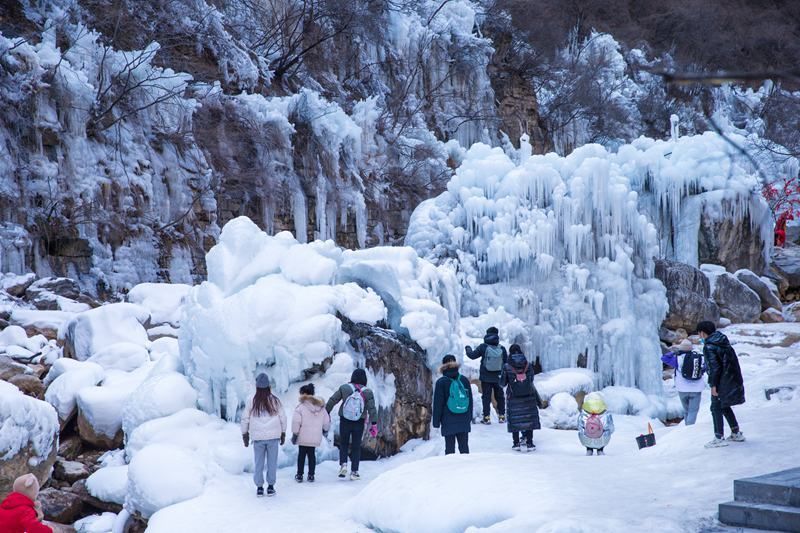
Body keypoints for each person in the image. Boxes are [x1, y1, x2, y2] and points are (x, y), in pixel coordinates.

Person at [697, 321, 745, 448]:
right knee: (724, 406)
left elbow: (715, 368)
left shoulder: (709, 346)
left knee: (715, 408)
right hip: (731, 379)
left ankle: (718, 437)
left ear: (703, 332)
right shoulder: (722, 341)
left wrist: (714, 385)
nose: (699, 336)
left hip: (722, 381)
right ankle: (736, 432)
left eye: (699, 333)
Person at [326, 368, 378, 481]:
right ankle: (354, 471)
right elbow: (372, 409)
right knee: (356, 446)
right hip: (359, 422)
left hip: (345, 420)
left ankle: (343, 465)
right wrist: (374, 424)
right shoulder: (367, 392)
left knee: (344, 443)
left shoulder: (345, 388)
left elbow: (332, 400)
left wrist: (326, 413)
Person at [241, 373, 286, 497]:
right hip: (273, 437)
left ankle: (259, 488)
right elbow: (283, 417)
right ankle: (271, 487)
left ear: (257, 386)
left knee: (259, 463)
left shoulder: (251, 400)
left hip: (258, 438)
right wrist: (283, 432)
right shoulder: (275, 400)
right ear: (268, 386)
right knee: (272, 462)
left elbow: (245, 418)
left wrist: (244, 434)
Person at [499, 345, 540, 452]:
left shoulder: (507, 366)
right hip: (528, 397)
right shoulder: (528, 365)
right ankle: (530, 443)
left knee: (515, 419)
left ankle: (516, 443)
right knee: (528, 418)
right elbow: (531, 379)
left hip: (513, 397)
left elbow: (502, 383)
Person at [432, 354, 473, 455]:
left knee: (449, 449)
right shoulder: (464, 380)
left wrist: (436, 422)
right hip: (463, 418)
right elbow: (470, 401)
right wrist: (469, 418)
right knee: (464, 447)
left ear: (443, 365)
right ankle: (468, 468)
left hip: (448, 419)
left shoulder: (441, 382)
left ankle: (450, 469)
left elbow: (438, 404)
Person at [465, 326, 508, 424]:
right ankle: (502, 416)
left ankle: (486, 417)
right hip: (498, 377)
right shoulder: (502, 348)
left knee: (486, 397)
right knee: (500, 396)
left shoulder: (483, 347)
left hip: (486, 377)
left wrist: (468, 348)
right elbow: (506, 362)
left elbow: (472, 356)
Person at [291, 383, 331, 483]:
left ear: (303, 394)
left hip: (303, 437)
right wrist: (325, 430)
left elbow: (296, 422)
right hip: (315, 437)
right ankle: (311, 475)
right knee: (312, 455)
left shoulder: (300, 407)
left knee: (301, 456)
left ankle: (299, 475)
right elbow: (326, 422)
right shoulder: (321, 407)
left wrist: (295, 434)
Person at [661, 339, 706, 425]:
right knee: (693, 411)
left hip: (682, 389)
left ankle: (687, 428)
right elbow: (706, 368)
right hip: (696, 389)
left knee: (686, 410)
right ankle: (689, 429)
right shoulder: (700, 358)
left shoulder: (677, 359)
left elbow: (664, 358)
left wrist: (674, 352)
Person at [578, 392, 614, 456]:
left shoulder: (584, 413)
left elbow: (580, 426)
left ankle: (589, 449)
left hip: (586, 439)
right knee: (606, 431)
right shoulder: (605, 414)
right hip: (602, 439)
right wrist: (610, 431)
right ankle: (600, 450)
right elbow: (610, 427)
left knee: (584, 433)